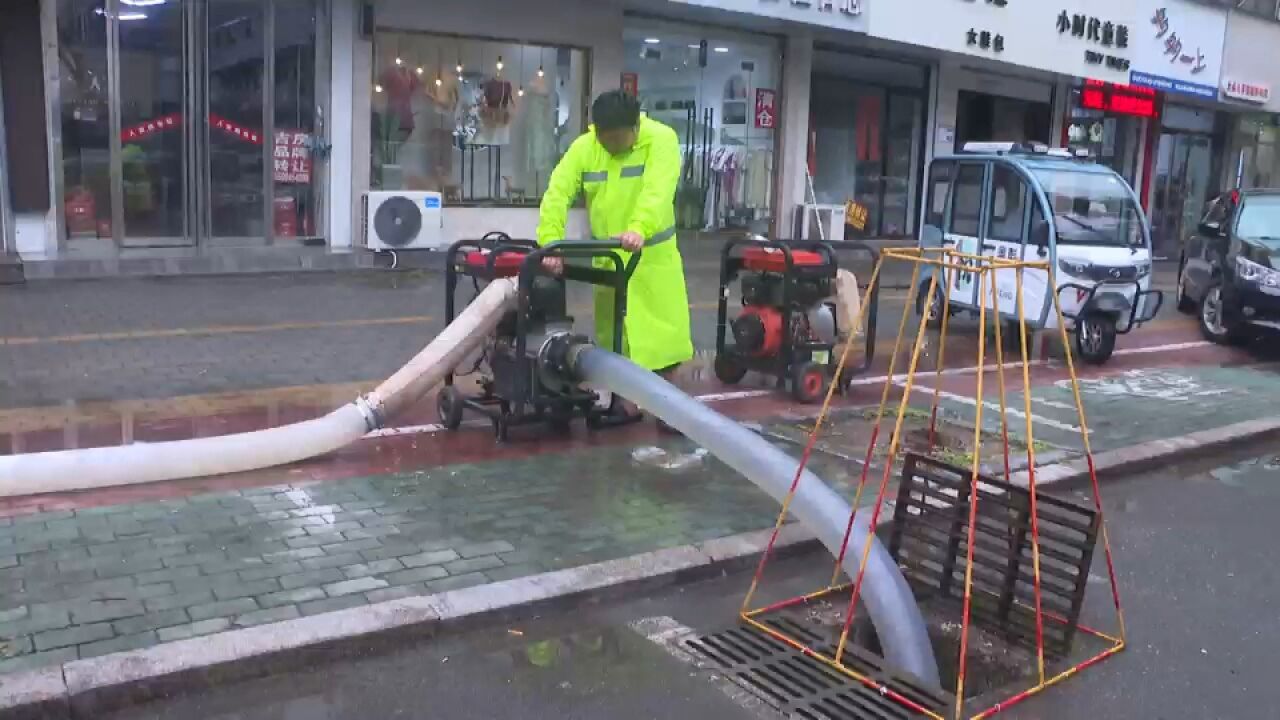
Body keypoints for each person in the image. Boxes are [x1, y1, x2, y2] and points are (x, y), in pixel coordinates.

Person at [536, 90, 694, 424]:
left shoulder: (661, 140)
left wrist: (639, 227)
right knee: (615, 337)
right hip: (609, 257)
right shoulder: (586, 146)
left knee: (662, 339)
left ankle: (673, 410)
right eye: (604, 140)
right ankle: (626, 404)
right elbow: (557, 192)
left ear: (636, 127)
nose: (610, 147)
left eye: (617, 140)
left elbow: (657, 191)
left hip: (651, 256)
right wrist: (550, 242)